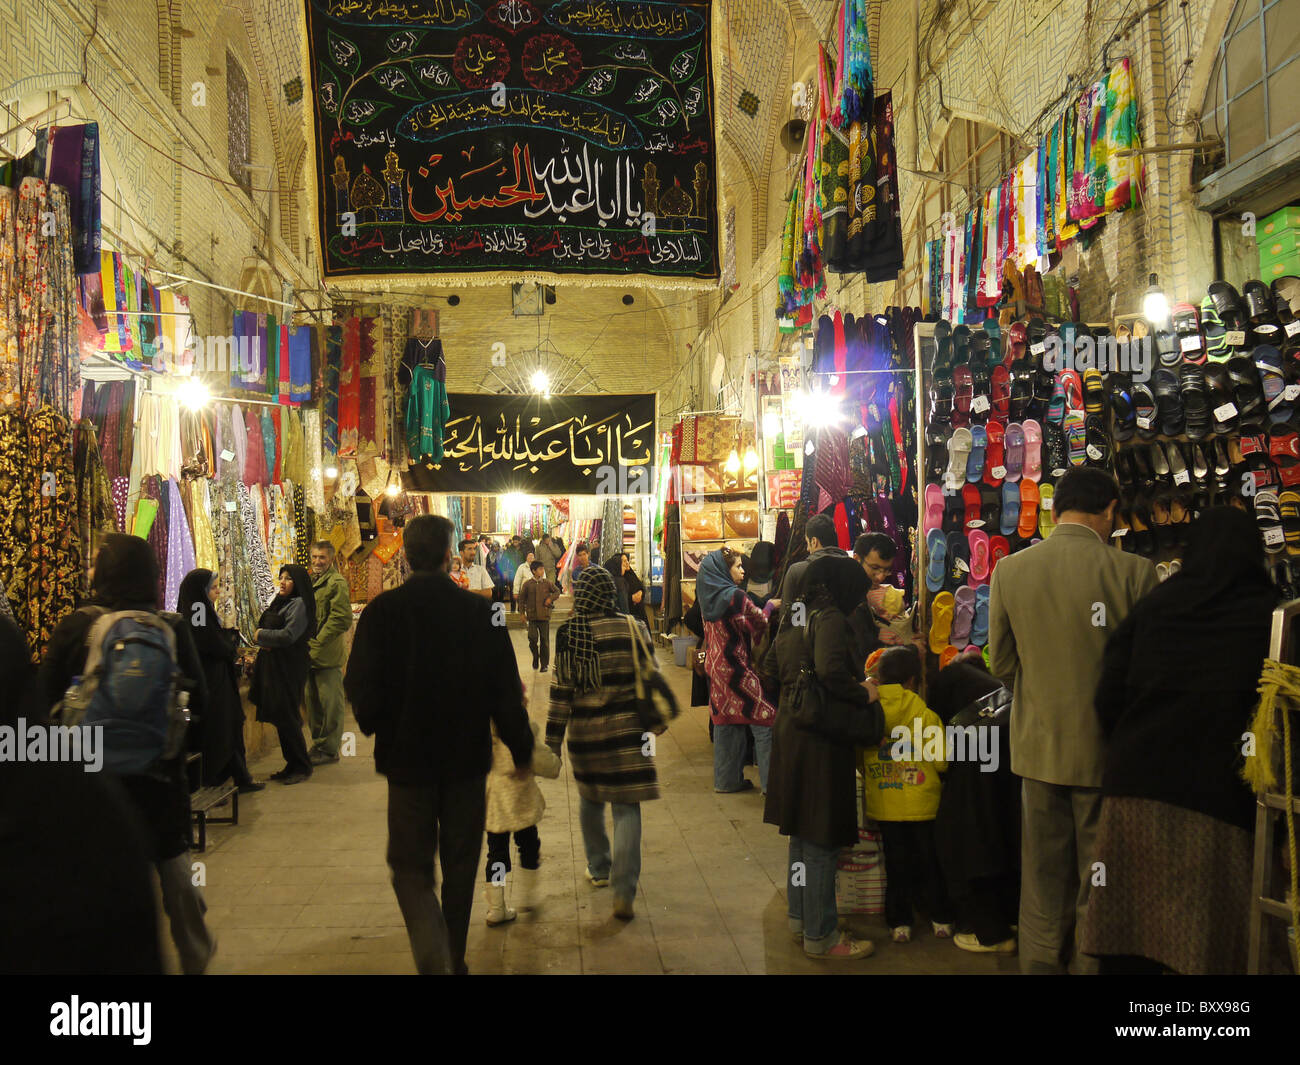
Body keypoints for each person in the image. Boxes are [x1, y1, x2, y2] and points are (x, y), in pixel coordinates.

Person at [1082, 508, 1277, 975]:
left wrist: (1132, 744)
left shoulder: (1160, 604)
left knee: (1127, 925)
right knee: (1202, 933)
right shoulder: (1266, 617)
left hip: (1135, 789)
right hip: (1218, 800)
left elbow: (1108, 691)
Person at [345, 515, 533, 975]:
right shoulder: (478, 614)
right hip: (465, 763)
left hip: (408, 766)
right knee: (461, 865)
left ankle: (437, 960)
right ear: (450, 555)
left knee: (409, 866)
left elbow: (359, 688)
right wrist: (521, 748)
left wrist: (380, 726)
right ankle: (452, 956)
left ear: (407, 555)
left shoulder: (381, 613)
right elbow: (505, 691)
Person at [988, 467, 1158, 974]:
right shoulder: (1133, 572)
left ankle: (1040, 965)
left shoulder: (1010, 571)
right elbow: (1146, 668)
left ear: (1055, 510)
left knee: (1041, 878)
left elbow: (1000, 661)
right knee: (1097, 878)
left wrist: (1038, 697)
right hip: (1105, 752)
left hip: (1038, 748)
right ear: (1108, 510)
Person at [35, 534, 216, 974]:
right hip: (159, 778)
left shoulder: (76, 627)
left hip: (93, 784)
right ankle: (194, 952)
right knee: (174, 867)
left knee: (97, 875)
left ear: (106, 572)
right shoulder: (171, 626)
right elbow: (202, 703)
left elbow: (42, 704)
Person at [764, 553, 886, 960]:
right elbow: (831, 671)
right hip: (819, 737)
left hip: (792, 727)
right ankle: (822, 936)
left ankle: (802, 919)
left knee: (801, 833)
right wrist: (863, 691)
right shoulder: (830, 616)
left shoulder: (795, 614)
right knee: (821, 839)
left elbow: (769, 666)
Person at [547, 566, 659, 920]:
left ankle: (599, 868)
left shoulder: (570, 632)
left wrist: (552, 742)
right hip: (630, 736)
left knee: (591, 799)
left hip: (587, 736)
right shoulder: (635, 627)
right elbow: (651, 673)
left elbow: (560, 693)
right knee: (627, 808)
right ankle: (624, 892)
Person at [861, 646, 954, 942]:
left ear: (879, 676)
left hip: (886, 803)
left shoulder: (870, 715)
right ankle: (940, 918)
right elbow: (941, 761)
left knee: (896, 863)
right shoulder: (926, 716)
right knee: (929, 861)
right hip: (923, 803)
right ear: (913, 681)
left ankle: (899, 923)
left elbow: (859, 758)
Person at [928, 653, 1019, 955]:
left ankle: (989, 933)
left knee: (964, 836)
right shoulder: (993, 685)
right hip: (1014, 752)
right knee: (1005, 831)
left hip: (978, 757)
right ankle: (1012, 918)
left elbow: (936, 729)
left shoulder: (947, 679)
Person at [698, 547, 778, 794]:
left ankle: (726, 781)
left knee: (726, 722)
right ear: (724, 570)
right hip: (736, 668)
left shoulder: (708, 595)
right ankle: (771, 787)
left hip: (715, 667)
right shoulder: (735, 597)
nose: (743, 571)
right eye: (738, 567)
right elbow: (758, 624)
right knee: (765, 718)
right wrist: (771, 607)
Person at [177, 569, 262, 792]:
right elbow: (203, 640)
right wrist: (227, 648)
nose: (217, 592)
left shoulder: (200, 609)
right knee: (221, 728)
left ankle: (239, 777)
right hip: (211, 679)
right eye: (213, 588)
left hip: (217, 677)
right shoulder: (197, 609)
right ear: (200, 590)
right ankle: (218, 780)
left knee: (230, 726)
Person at [483, 719, 561, 925]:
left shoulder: (483, 736)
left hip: (496, 806)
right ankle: (528, 897)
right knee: (529, 847)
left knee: (497, 855)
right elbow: (547, 764)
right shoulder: (522, 734)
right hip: (522, 805)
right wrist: (556, 762)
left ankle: (497, 908)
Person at [250, 564, 317, 785]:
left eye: (288, 579)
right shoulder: (281, 603)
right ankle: (292, 763)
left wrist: (261, 635)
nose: (283, 582)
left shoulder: (298, 604)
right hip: (276, 666)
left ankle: (301, 765)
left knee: (287, 715)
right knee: (281, 715)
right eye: (281, 577)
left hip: (289, 667)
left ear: (297, 584)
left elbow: (288, 635)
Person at [306, 542, 353, 767]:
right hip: (310, 654)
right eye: (314, 557)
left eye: (322, 558)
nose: (317, 562)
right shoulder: (310, 581)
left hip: (327, 655)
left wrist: (317, 642)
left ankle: (330, 748)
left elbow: (341, 618)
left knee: (331, 704)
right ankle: (319, 744)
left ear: (331, 559)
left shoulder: (336, 583)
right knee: (313, 702)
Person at [775, 513, 845, 623]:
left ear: (814, 541)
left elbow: (792, 619)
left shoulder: (798, 571)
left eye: (807, 543)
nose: (807, 549)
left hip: (809, 637)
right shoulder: (853, 567)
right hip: (844, 637)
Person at [520, 560, 560, 672]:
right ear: (533, 571)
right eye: (540, 569)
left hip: (544, 616)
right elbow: (522, 599)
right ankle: (535, 657)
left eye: (543, 569)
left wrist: (550, 599)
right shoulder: (527, 584)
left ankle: (544, 664)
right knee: (532, 639)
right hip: (532, 617)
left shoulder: (547, 583)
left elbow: (557, 591)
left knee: (545, 641)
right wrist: (522, 613)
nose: (542, 571)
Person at [624, 558, 649, 628]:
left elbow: (640, 586)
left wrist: (641, 592)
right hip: (630, 615)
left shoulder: (632, 575)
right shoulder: (620, 580)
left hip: (640, 613)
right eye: (623, 561)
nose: (626, 563)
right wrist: (631, 598)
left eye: (627, 560)